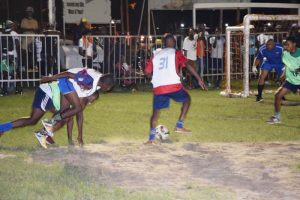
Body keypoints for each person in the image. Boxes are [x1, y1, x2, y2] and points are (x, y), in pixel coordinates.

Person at [0, 69, 114, 135]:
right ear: (105, 85)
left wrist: (75, 137)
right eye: (108, 88)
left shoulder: (95, 84)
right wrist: (50, 78)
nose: (108, 91)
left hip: (57, 93)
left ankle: (42, 133)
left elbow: (77, 114)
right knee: (33, 120)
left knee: (66, 115)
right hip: (47, 92)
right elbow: (69, 74)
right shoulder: (90, 80)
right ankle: (46, 128)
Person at [144, 34, 207, 144]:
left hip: (159, 87)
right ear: (173, 42)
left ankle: (151, 138)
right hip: (173, 85)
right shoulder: (176, 52)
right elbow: (187, 64)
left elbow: (147, 73)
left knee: (155, 113)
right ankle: (179, 125)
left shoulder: (156, 54)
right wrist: (199, 78)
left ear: (164, 43)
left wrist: (152, 75)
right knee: (187, 99)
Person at [34, 90, 100, 148]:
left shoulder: (83, 101)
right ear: (90, 95)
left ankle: (45, 132)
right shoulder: (81, 99)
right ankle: (44, 132)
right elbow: (78, 117)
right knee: (65, 117)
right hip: (50, 97)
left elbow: (75, 118)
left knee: (67, 117)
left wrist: (71, 139)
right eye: (94, 98)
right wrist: (79, 136)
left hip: (56, 101)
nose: (93, 101)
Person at [267, 37, 300, 124]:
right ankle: (277, 117)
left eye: (288, 44)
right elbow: (287, 65)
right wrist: (283, 75)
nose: (286, 46)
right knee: (278, 95)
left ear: (294, 44)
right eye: (285, 45)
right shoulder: (285, 54)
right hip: (290, 81)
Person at [0, 20, 22, 96]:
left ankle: (5, 91)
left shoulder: (1, 34)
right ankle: (18, 90)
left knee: (5, 73)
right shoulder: (14, 33)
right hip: (13, 55)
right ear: (12, 26)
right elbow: (17, 44)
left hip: (4, 55)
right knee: (15, 73)